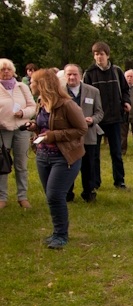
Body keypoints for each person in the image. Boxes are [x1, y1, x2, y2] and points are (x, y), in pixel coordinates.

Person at [25, 69, 87, 249]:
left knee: (55, 195)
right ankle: (56, 232)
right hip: (43, 156)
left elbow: (81, 129)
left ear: (42, 85)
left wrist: (54, 135)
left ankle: (61, 235)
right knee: (51, 196)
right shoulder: (41, 102)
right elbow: (44, 124)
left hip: (64, 157)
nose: (30, 85)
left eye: (33, 82)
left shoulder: (67, 105)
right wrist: (34, 126)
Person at [83, 42, 130, 191]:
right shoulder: (89, 73)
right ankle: (95, 183)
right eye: (96, 54)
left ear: (107, 55)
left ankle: (119, 181)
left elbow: (125, 90)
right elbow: (85, 95)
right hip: (96, 120)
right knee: (94, 153)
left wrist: (126, 102)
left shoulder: (116, 71)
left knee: (116, 152)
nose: (99, 57)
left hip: (115, 118)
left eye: (101, 54)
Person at [63, 64, 103, 203]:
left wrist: (92, 120)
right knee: (67, 166)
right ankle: (67, 194)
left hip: (88, 135)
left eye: (75, 74)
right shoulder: (59, 92)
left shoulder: (93, 91)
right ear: (65, 76)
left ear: (80, 75)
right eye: (69, 74)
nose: (72, 77)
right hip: (67, 137)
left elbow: (99, 112)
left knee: (88, 166)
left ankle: (89, 193)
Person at [0, 58, 36, 210]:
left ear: (13, 71)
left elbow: (32, 106)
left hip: (21, 129)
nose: (6, 72)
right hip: (2, 131)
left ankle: (22, 196)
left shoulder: (22, 87)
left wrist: (23, 113)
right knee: (2, 164)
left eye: (9, 69)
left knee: (21, 165)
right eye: (3, 69)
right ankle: (2, 197)